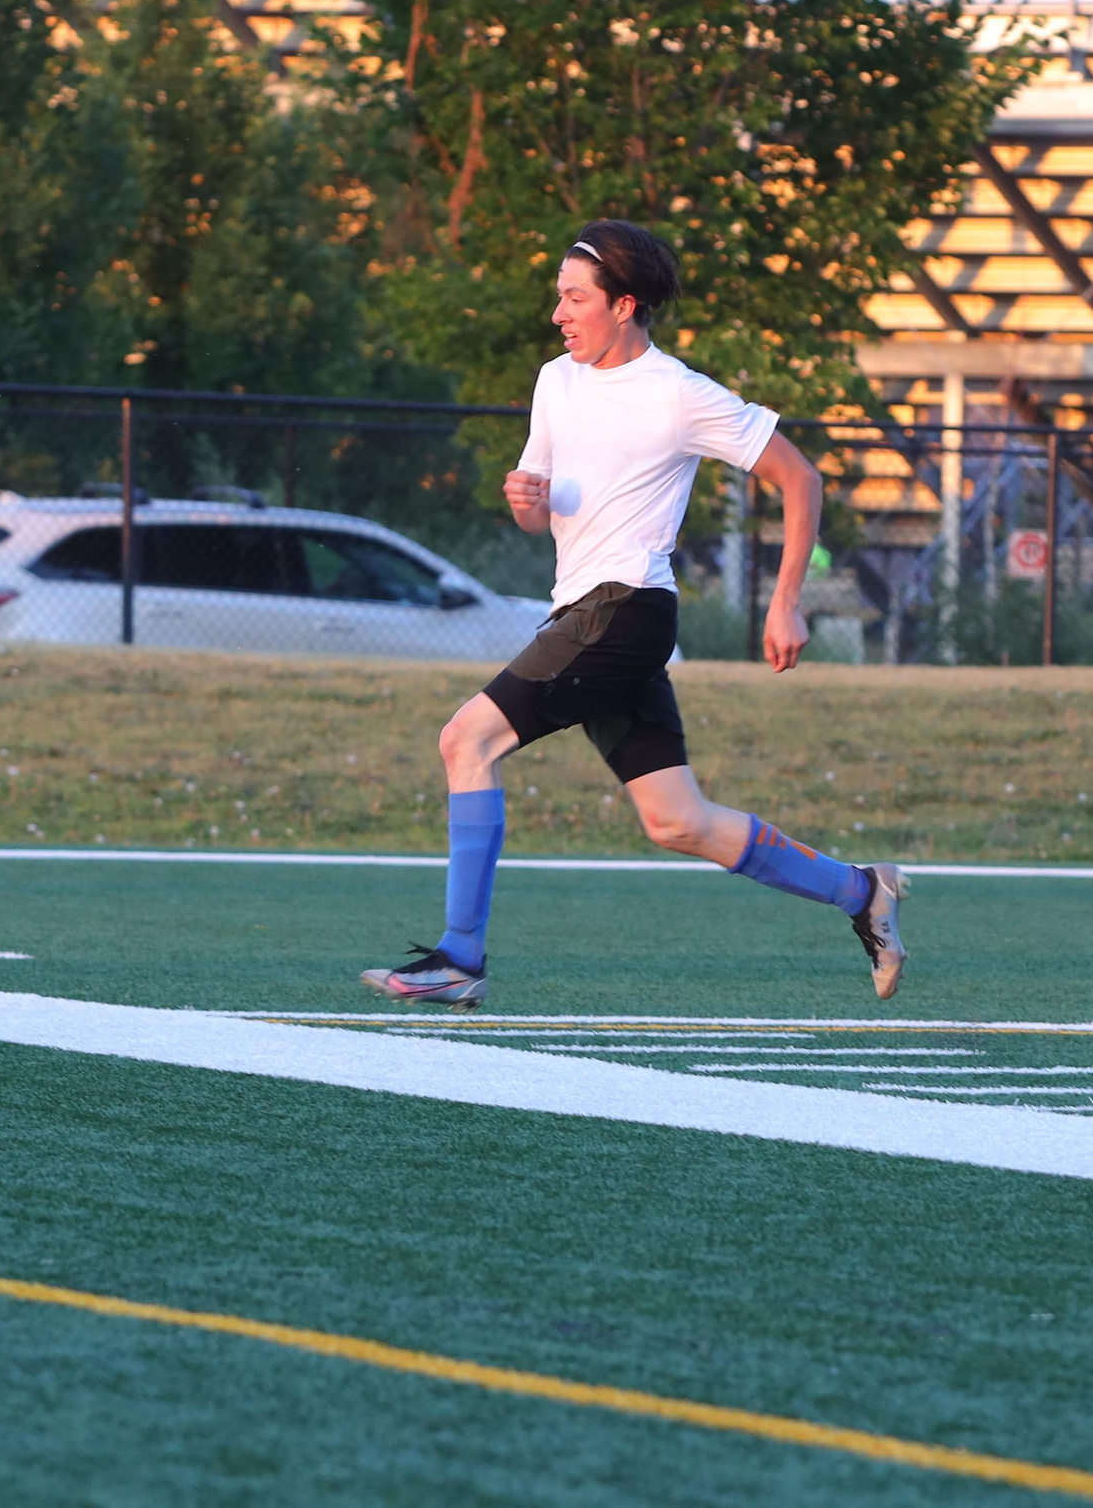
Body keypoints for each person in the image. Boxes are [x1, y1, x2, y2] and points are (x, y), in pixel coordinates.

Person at [360, 219, 904, 1009]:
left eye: (574, 298)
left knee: (465, 738)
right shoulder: (556, 379)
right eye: (558, 298)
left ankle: (458, 957)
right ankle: (862, 892)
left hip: (628, 609)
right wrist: (527, 500)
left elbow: (801, 479)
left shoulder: (679, 393)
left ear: (624, 303)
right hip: (583, 609)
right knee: (676, 820)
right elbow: (536, 515)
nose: (558, 313)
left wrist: (786, 601)